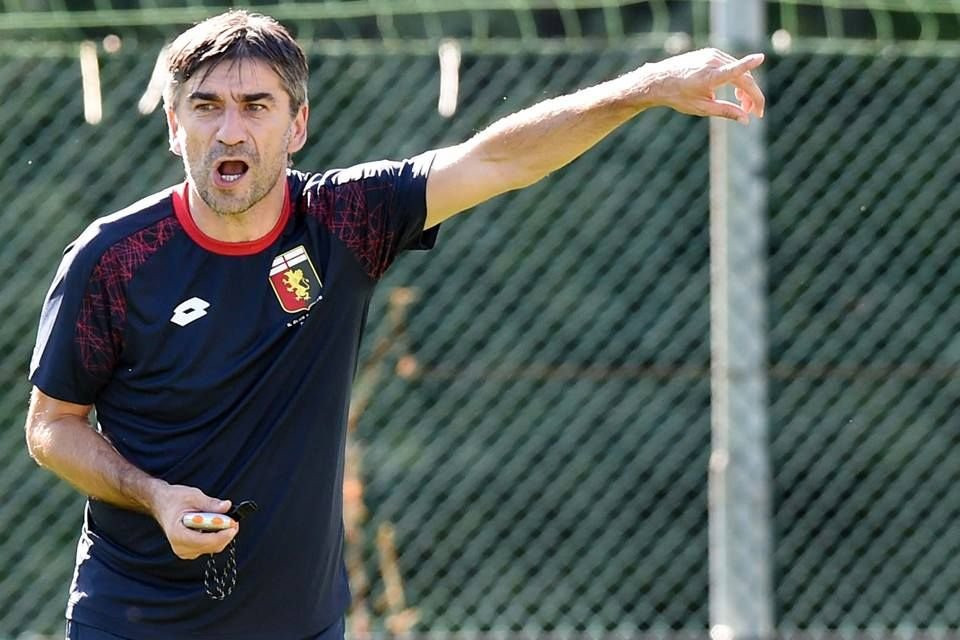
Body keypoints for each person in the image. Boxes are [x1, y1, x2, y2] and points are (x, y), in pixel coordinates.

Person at [24, 9, 765, 640]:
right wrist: (155, 496)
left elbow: (500, 160)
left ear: (297, 124)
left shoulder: (346, 221)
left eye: (255, 106)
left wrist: (647, 86)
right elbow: (51, 427)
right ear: (174, 123)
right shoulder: (113, 259)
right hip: (133, 620)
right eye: (207, 105)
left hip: (302, 622)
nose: (230, 130)